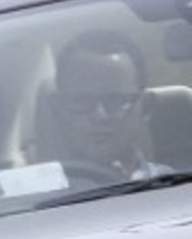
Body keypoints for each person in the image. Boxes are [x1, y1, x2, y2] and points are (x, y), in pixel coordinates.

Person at [46, 29, 157, 179]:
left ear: (146, 107)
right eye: (81, 101)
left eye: (116, 100)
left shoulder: (179, 187)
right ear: (57, 110)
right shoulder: (29, 192)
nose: (100, 116)